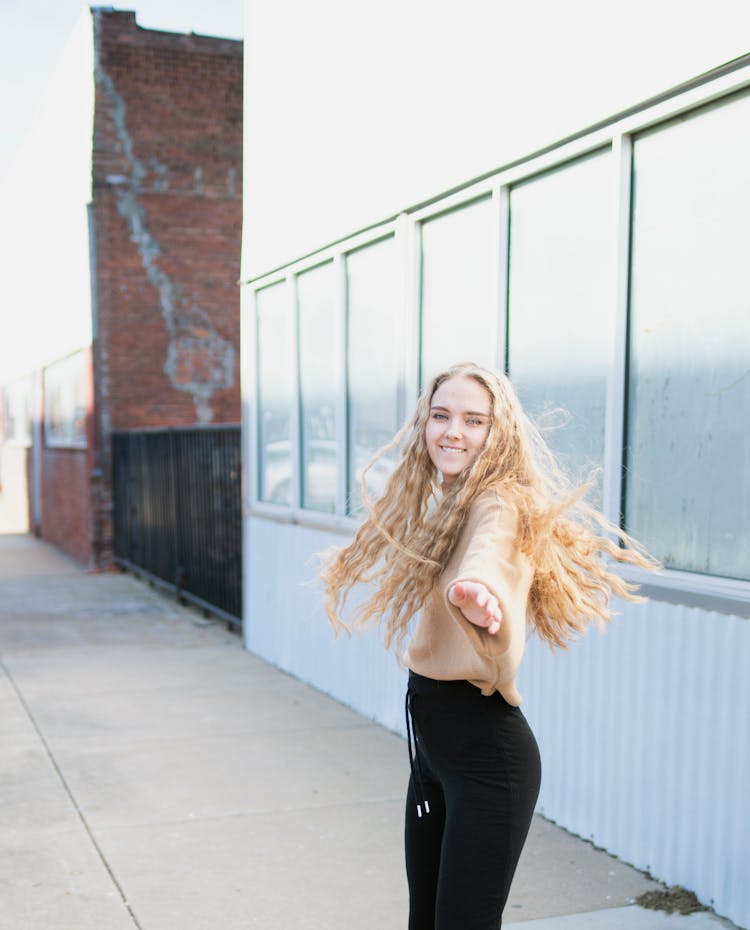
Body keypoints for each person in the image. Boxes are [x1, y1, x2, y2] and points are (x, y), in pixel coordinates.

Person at [321, 361, 655, 930]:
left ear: (497, 434)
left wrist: (478, 593)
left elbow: (489, 556)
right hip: (433, 754)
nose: (454, 431)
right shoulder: (450, 501)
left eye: (474, 421)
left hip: (486, 760)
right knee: (424, 920)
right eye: (442, 415)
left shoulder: (500, 502)